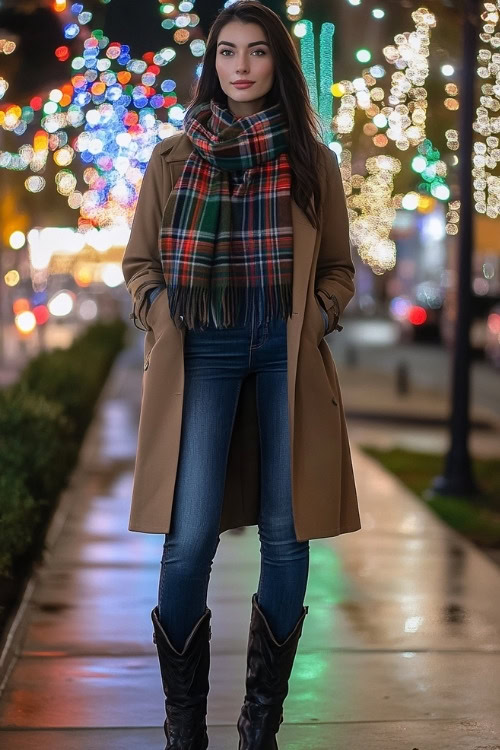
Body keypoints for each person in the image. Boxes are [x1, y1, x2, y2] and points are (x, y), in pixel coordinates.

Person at [121, 1, 361, 747]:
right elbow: (139, 265)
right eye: (228, 52)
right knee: (188, 539)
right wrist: (161, 310)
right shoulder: (171, 157)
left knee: (288, 540)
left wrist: (318, 316)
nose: (242, 66)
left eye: (257, 52)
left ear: (277, 64)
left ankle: (261, 725)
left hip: (283, 349)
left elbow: (338, 271)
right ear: (213, 64)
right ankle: (183, 726)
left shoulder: (313, 163)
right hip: (203, 353)